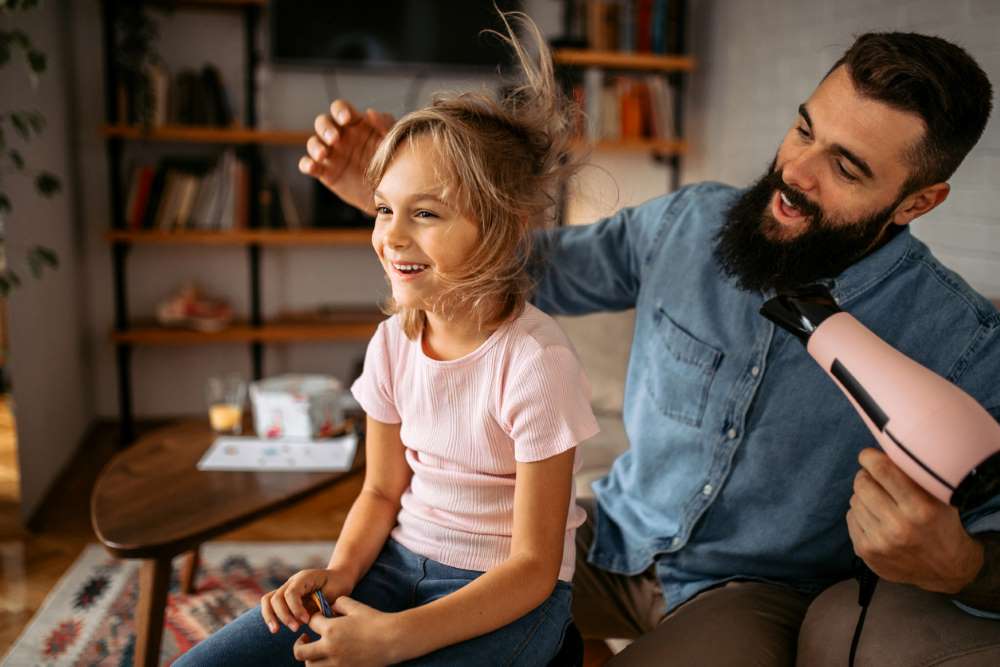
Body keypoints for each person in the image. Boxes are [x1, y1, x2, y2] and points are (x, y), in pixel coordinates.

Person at [302, 31, 1000, 665]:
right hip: (606, 539)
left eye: (846, 168)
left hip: (746, 593)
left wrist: (963, 562)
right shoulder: (686, 222)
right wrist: (405, 201)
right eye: (803, 129)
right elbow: (507, 262)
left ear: (917, 201)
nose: (797, 171)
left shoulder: (962, 343)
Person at [175, 13, 599, 667]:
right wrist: (338, 575)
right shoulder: (391, 345)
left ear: (504, 224)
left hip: (504, 598)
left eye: (424, 213)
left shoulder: (537, 363)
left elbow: (535, 566)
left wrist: (397, 636)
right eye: (383, 208)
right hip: (395, 566)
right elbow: (379, 490)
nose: (390, 237)